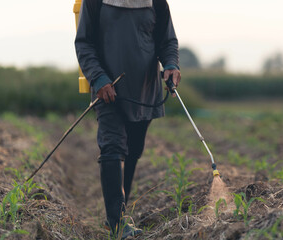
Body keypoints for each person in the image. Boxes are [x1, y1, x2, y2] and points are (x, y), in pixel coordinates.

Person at [74, 0, 180, 238]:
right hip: (108, 90)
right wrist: (98, 78)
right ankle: (117, 223)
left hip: (144, 90)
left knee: (133, 150)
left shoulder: (156, 2)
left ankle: (119, 214)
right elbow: (84, 43)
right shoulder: (95, 2)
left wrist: (171, 64)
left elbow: (167, 41)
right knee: (112, 146)